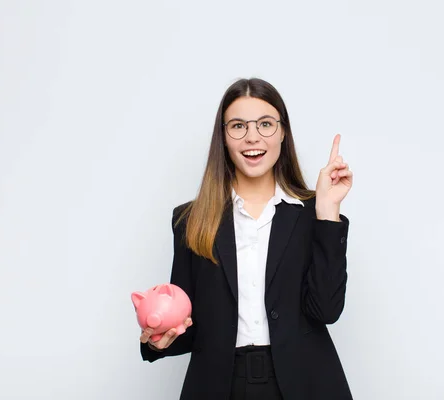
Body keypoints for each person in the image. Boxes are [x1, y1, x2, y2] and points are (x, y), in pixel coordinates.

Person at [139, 77, 354, 399]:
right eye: (238, 126)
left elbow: (326, 311)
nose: (252, 137)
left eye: (265, 124)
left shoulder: (313, 214)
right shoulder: (190, 220)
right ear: (224, 137)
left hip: (304, 383)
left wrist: (327, 212)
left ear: (283, 132)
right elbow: (186, 324)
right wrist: (158, 339)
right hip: (220, 385)